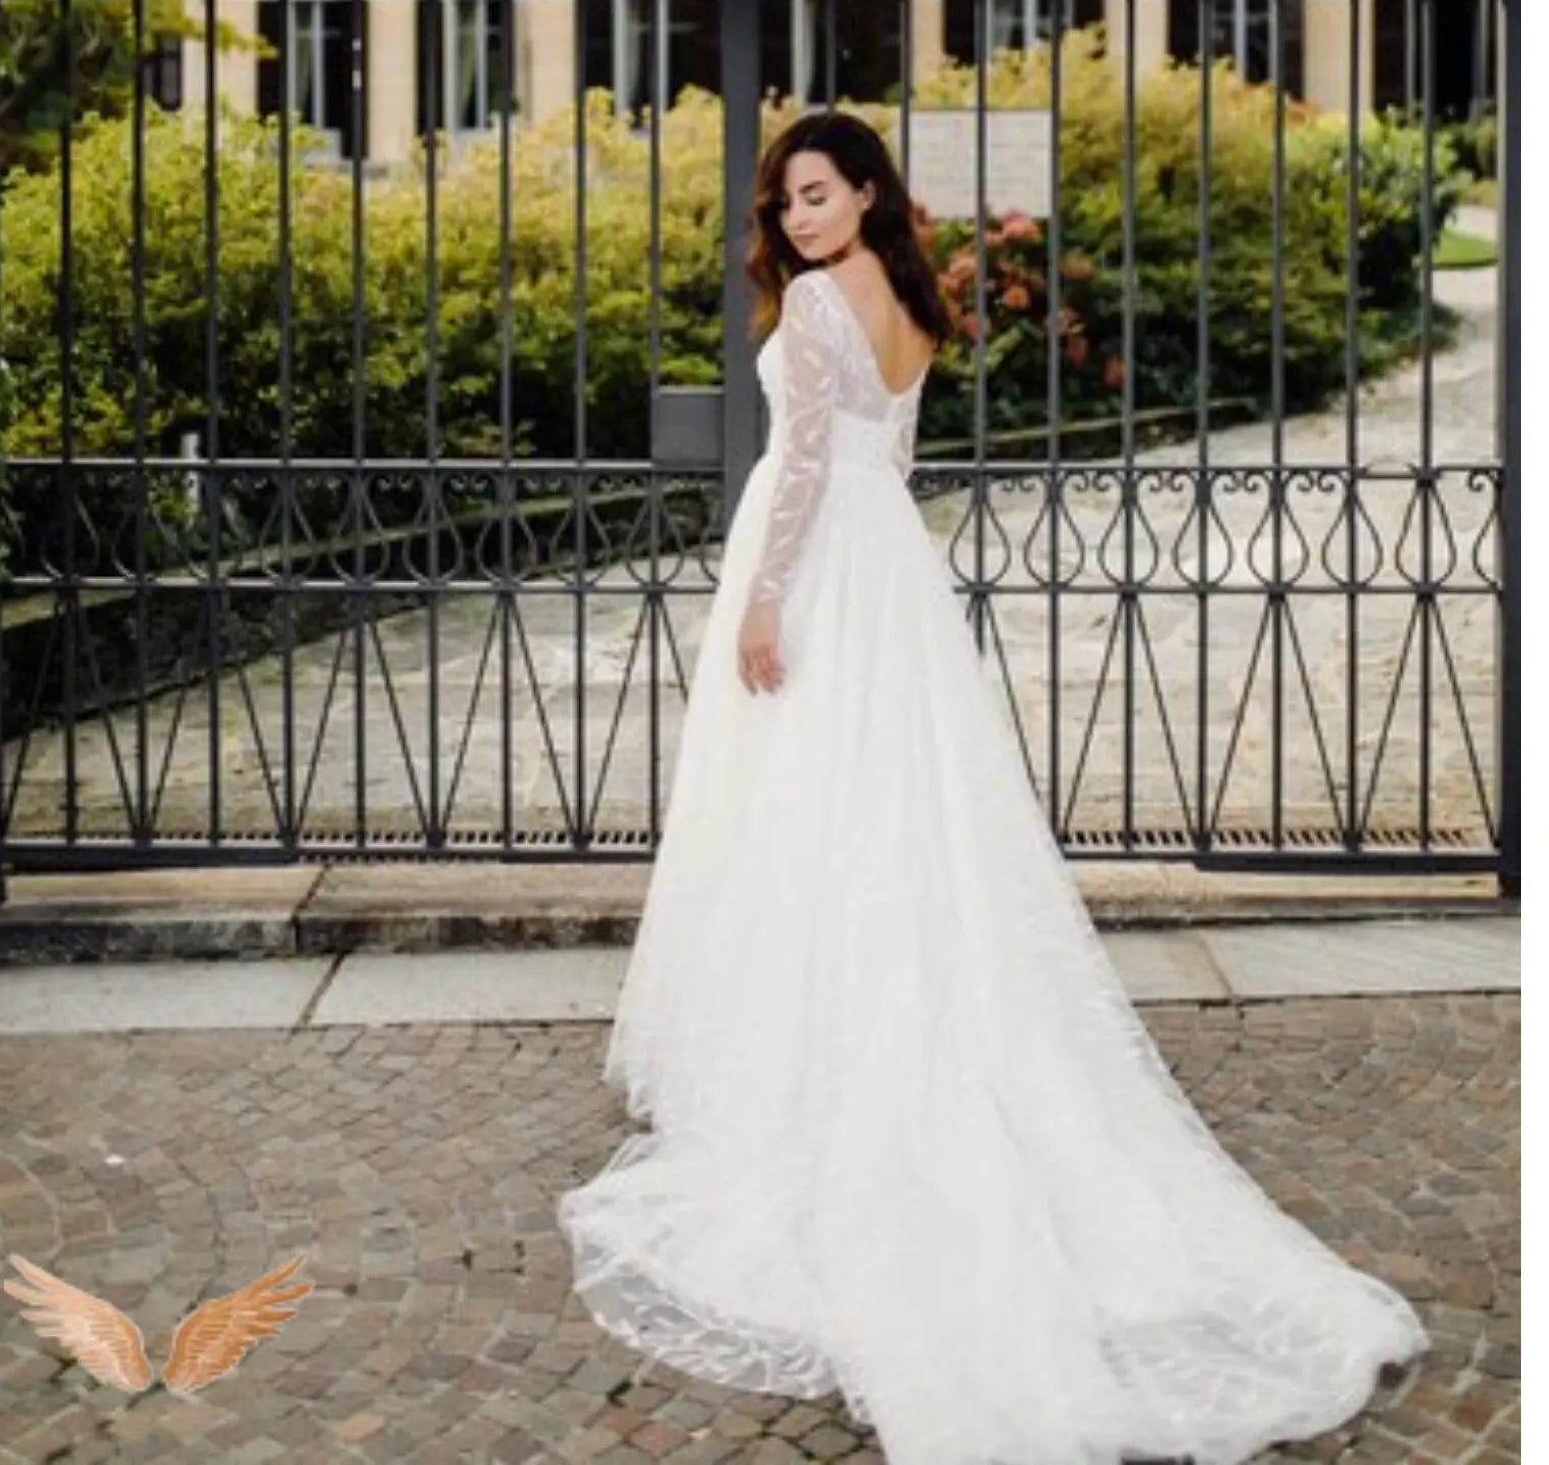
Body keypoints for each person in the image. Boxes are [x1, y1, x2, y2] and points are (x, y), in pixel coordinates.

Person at [557, 110, 1427, 1465]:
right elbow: (886, 461)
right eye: (784, 199)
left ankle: (813, 1060)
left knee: (809, 813)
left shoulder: (816, 311)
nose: (795, 215)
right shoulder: (902, 292)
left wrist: (768, 598)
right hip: (891, 562)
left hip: (827, 569)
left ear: (863, 195)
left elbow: (796, 471)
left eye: (817, 193)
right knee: (895, 814)